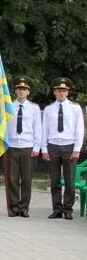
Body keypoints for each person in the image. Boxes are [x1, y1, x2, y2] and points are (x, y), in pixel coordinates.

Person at [41, 77, 84, 220]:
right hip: (53, 145)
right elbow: (44, 130)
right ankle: (57, 208)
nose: (61, 93)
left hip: (69, 146)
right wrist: (44, 149)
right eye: (59, 91)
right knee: (55, 180)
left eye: (64, 91)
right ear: (54, 92)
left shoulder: (75, 108)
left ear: (68, 92)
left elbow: (79, 129)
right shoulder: (48, 109)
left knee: (69, 180)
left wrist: (77, 148)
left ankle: (68, 209)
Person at [5, 76, 41, 217]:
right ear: (15, 91)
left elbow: (37, 128)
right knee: (13, 179)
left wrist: (37, 147)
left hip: (27, 146)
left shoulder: (34, 108)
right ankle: (14, 207)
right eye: (19, 89)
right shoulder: (8, 106)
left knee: (26, 179)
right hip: (12, 145)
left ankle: (24, 207)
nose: (21, 91)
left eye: (24, 89)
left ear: (28, 92)